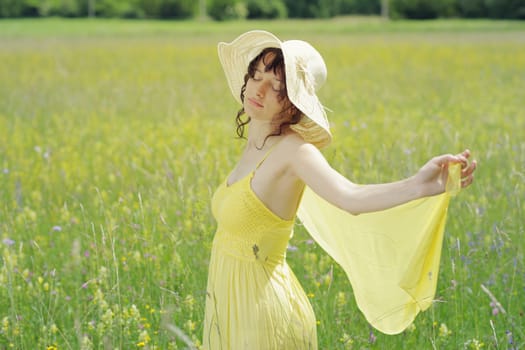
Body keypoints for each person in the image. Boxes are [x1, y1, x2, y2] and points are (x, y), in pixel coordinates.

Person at [203, 30, 477, 349]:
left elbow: (351, 197)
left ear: (293, 106)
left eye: (277, 87)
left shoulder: (295, 152)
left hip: (264, 318)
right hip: (229, 306)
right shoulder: (255, 144)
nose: (259, 89)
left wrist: (419, 184)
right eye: (256, 75)